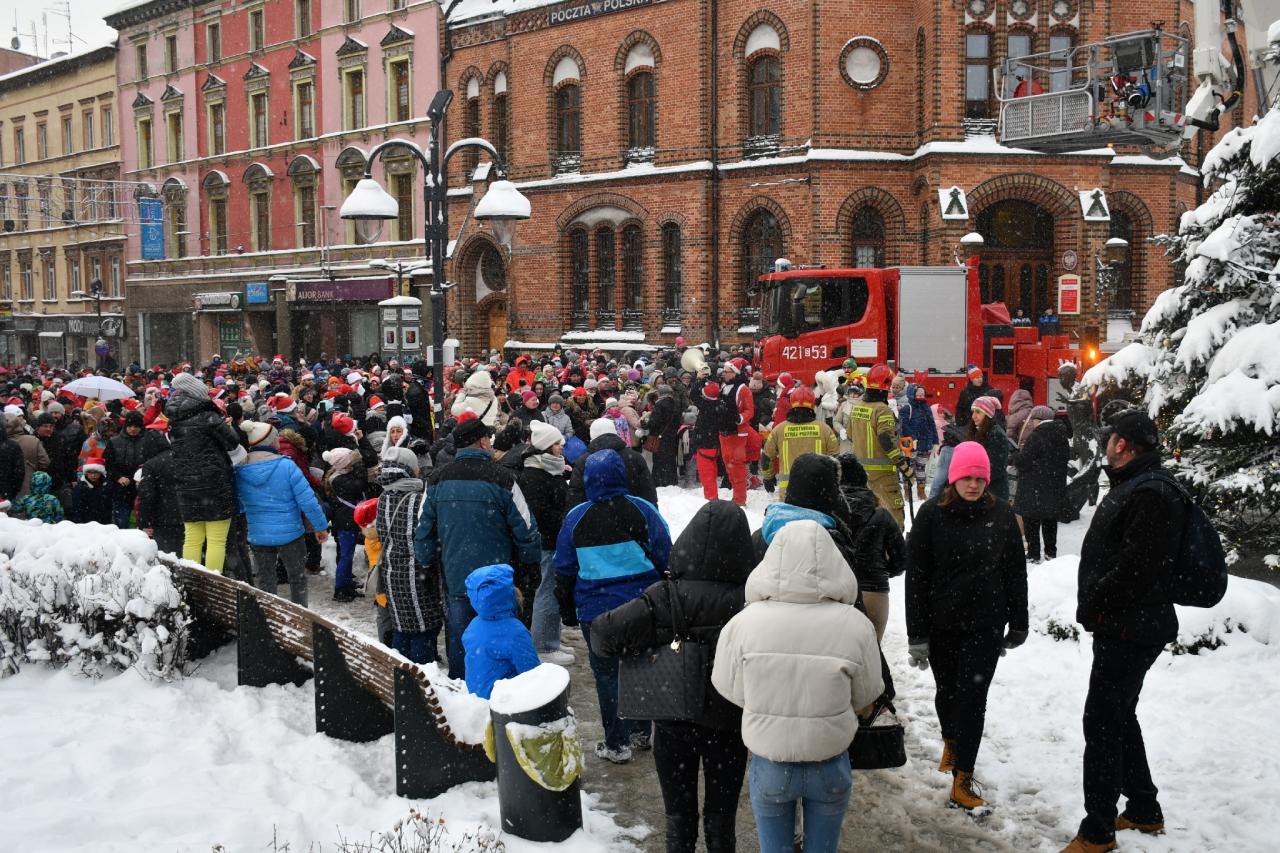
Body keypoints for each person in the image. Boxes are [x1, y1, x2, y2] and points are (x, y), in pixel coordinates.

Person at [712, 520, 884, 853]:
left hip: (771, 764)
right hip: (830, 763)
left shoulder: (743, 624)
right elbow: (865, 695)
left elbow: (730, 689)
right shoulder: (856, 625)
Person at [592, 500, 754, 853]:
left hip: (673, 721)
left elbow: (603, 636)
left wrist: (643, 645)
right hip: (730, 726)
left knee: (679, 819)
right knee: (721, 820)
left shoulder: (665, 597)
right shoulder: (752, 600)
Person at [1061, 410, 1184, 853]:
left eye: (1109, 438)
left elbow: (1137, 567)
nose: (1105, 443)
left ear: (1124, 445)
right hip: (1128, 623)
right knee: (1119, 714)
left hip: (1131, 627)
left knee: (1103, 722)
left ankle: (1098, 830)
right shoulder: (1137, 484)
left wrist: (1095, 598)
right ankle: (1145, 808)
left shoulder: (1149, 493)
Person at [906, 441, 1027, 813]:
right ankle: (950, 740)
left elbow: (1015, 572)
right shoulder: (931, 515)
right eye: (967, 477)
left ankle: (962, 777)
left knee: (973, 700)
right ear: (954, 477)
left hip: (986, 625)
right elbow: (917, 577)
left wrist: (1019, 622)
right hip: (943, 624)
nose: (974, 485)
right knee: (948, 692)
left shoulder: (1002, 515)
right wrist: (917, 634)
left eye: (980, 478)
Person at [556, 449, 672, 764]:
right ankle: (640, 732)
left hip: (596, 613)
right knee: (640, 666)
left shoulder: (576, 517)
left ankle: (616, 743)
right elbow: (665, 556)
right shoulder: (643, 510)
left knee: (607, 676)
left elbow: (564, 567)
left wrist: (566, 606)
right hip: (642, 606)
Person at [415, 412, 542, 680]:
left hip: (456, 575)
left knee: (461, 639)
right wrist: (531, 564)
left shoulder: (436, 480)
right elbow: (526, 527)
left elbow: (423, 529)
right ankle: (503, 691)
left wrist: (425, 564)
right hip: (497, 577)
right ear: (482, 442)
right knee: (503, 633)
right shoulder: (503, 478)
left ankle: (464, 690)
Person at [235, 421, 331, 605]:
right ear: (272, 442)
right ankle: (300, 614)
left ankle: (267, 617)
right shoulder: (287, 467)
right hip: (291, 534)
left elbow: (239, 504)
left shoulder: (240, 471)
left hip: (258, 536)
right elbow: (308, 501)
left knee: (266, 580)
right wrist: (320, 526)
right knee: (297, 578)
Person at [168, 371, 246, 573]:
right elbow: (232, 442)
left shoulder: (174, 418)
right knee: (216, 541)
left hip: (186, 484)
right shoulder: (208, 416)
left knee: (193, 538)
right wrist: (226, 427)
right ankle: (213, 583)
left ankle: (191, 581)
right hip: (214, 485)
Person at [376, 446, 442, 663]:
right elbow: (426, 538)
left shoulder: (384, 497)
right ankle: (421, 678)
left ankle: (400, 675)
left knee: (402, 629)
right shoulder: (418, 499)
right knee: (423, 629)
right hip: (417, 575)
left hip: (391, 573)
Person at [516, 420, 573, 665]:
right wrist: (565, 519)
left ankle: (551, 639)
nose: (561, 447)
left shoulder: (547, 468)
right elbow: (540, 511)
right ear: (546, 447)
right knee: (547, 592)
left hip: (552, 538)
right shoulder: (534, 474)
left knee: (550, 590)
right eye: (556, 443)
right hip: (547, 541)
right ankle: (544, 645)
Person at [834, 453, 906, 642]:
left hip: (835, 594)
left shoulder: (826, 515)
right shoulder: (881, 515)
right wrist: (882, 569)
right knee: (872, 658)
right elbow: (901, 561)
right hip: (874, 592)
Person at [462, 563, 542, 700]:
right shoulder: (514, 632)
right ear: (509, 594)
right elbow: (532, 673)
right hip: (502, 702)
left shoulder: (474, 625)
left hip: (476, 696)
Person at [847, 363, 908, 527]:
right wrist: (903, 465)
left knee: (867, 522)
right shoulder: (882, 410)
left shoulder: (857, 407)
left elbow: (851, 435)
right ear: (886, 385)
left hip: (862, 477)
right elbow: (886, 439)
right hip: (884, 478)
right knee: (893, 522)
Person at [1012, 406, 1070, 562]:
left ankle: (1033, 554)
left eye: (1033, 420)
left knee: (1031, 522)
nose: (1032, 423)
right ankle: (1051, 553)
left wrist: (1015, 456)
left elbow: (1024, 461)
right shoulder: (1061, 435)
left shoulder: (1037, 436)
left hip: (1034, 488)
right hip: (1054, 487)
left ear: (1038, 420)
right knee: (1050, 522)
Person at [761, 385, 838, 499]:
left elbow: (766, 458)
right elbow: (835, 459)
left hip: (788, 492)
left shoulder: (779, 430)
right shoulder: (825, 429)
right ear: (812, 405)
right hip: (818, 491)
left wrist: (768, 478)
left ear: (792, 403)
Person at [566, 417, 659, 508]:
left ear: (592, 435)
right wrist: (652, 515)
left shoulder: (583, 461)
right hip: (633, 515)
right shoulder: (635, 457)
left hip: (595, 518)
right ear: (614, 431)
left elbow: (575, 496)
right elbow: (648, 491)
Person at [323, 446, 377, 602]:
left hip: (346, 521)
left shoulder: (340, 475)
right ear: (344, 464)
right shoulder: (338, 480)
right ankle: (340, 590)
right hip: (344, 523)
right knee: (346, 556)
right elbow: (359, 485)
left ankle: (346, 583)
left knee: (348, 554)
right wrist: (359, 464)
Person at [137, 441, 186, 556]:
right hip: (186, 514)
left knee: (166, 557)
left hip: (163, 518)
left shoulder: (151, 465)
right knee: (185, 556)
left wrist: (143, 522)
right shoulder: (182, 459)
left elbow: (147, 496)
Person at [717, 359, 754, 506]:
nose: (723, 374)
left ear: (734, 373)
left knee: (736, 465)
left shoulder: (743, 389)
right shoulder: (723, 386)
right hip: (723, 431)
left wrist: (739, 418)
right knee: (727, 464)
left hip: (737, 433)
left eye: (726, 371)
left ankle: (740, 499)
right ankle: (736, 493)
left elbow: (750, 410)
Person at [968, 396, 1013, 502]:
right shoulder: (979, 432)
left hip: (994, 492)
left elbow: (996, 467)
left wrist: (977, 480)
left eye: (978, 412)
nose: (974, 416)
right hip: (984, 490)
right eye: (973, 412)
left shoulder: (996, 434)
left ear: (988, 414)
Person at [899, 384, 939, 502]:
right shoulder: (907, 408)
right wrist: (913, 437)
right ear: (912, 394)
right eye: (918, 394)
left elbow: (932, 425)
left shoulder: (927, 408)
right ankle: (907, 490)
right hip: (911, 445)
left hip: (925, 444)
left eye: (922, 394)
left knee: (921, 468)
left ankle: (921, 491)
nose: (921, 396)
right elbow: (904, 425)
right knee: (909, 468)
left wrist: (935, 441)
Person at [645, 384, 683, 488]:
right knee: (670, 459)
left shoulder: (660, 404)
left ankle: (660, 481)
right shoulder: (675, 404)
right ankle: (671, 480)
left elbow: (654, 422)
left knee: (659, 460)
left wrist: (645, 424)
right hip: (671, 435)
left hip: (660, 436)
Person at [69, 458, 113, 524]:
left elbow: (109, 507)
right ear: (86, 473)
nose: (93, 475)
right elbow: (77, 509)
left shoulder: (107, 486)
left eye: (96, 472)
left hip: (103, 524)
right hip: (85, 524)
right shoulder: (80, 488)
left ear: (100, 473)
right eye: (90, 472)